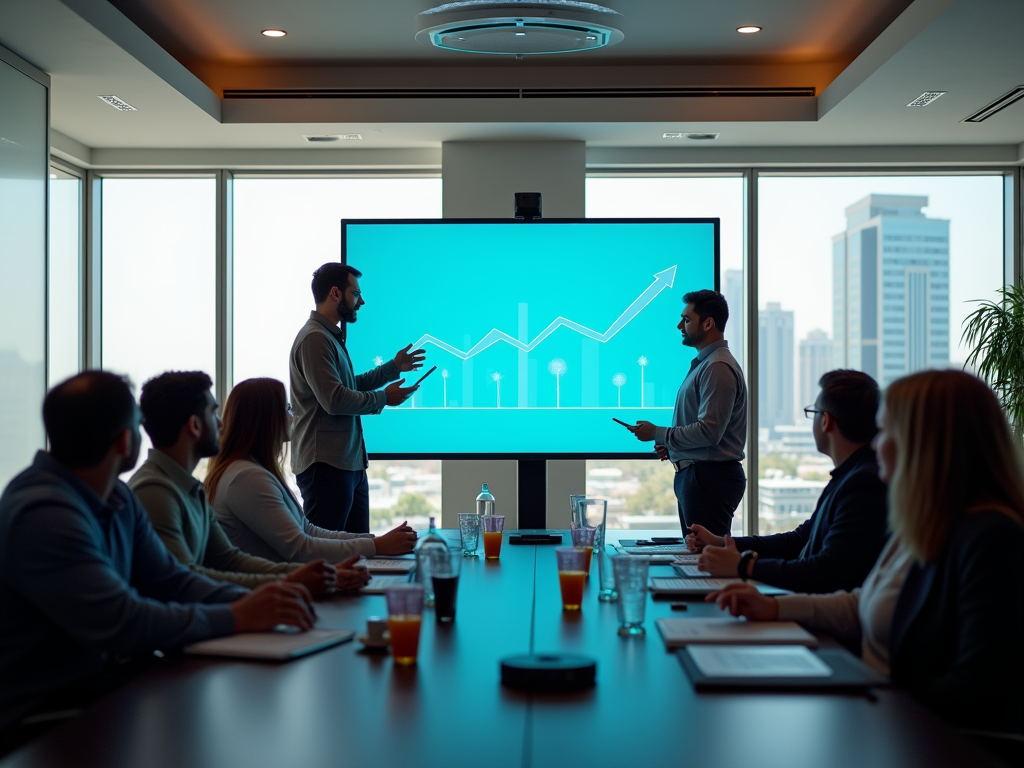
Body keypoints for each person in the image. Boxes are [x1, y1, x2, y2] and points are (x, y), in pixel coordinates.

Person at [0, 372, 316, 749]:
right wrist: (239, 615)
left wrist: (260, 601)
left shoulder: (116, 496)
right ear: (124, 440)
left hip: (100, 685)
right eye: (138, 423)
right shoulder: (43, 514)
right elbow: (124, 621)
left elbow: (172, 580)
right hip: (44, 715)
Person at [708, 370, 1024, 735]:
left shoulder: (991, 538)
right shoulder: (927, 525)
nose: (875, 445)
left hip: (907, 735)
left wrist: (867, 700)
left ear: (925, 444)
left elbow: (978, 690)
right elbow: (865, 604)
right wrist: (775, 607)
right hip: (877, 713)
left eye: (886, 430)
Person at [129, 371, 366, 594]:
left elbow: (228, 560)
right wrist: (291, 581)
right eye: (213, 414)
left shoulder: (189, 488)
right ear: (195, 425)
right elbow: (184, 582)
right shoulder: (156, 490)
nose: (221, 424)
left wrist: (317, 575)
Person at [688, 370, 888, 593]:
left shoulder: (862, 484)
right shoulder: (850, 476)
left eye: (813, 413)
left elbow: (825, 572)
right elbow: (797, 540)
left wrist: (742, 566)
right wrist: (722, 542)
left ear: (826, 421)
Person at [207, 378, 417, 564]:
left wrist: (376, 541)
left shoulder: (252, 470)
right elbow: (301, 548)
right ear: (268, 418)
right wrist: (377, 546)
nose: (294, 415)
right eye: (287, 408)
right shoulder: (245, 477)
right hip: (268, 597)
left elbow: (308, 530)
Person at [290, 262, 425, 533]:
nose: (361, 301)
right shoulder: (315, 339)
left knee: (356, 553)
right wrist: (383, 398)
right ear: (336, 294)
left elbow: (349, 386)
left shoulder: (329, 337)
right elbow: (335, 399)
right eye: (356, 294)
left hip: (347, 465)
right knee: (328, 556)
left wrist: (392, 368)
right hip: (327, 468)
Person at [626, 289, 747, 535]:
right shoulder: (707, 364)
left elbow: (709, 432)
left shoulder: (717, 367)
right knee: (698, 557)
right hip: (701, 477)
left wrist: (658, 433)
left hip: (708, 479)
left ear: (708, 323)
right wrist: (673, 447)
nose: (679, 325)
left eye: (687, 319)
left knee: (703, 562)